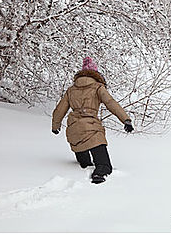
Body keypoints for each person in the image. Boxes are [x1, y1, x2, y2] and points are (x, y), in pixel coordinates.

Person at [51, 56, 133, 184]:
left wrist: (55, 126)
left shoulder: (71, 90)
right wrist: (125, 120)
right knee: (104, 165)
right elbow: (111, 103)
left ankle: (84, 166)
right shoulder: (98, 87)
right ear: (95, 74)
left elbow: (59, 110)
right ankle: (99, 175)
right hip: (92, 128)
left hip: (74, 130)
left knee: (84, 162)